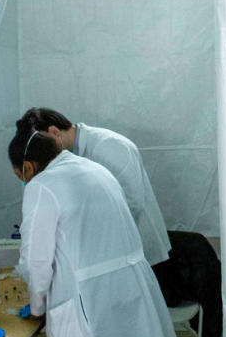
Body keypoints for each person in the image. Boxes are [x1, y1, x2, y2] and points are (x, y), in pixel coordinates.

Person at [9, 131, 181, 337]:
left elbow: (37, 261)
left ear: (28, 167)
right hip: (123, 297)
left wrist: (37, 306)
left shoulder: (41, 186)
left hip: (86, 305)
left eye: (20, 175)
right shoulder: (95, 169)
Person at [15, 108, 172, 267]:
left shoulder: (110, 146)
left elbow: (133, 204)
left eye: (42, 146)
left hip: (135, 250)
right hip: (108, 253)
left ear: (55, 132)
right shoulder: (70, 156)